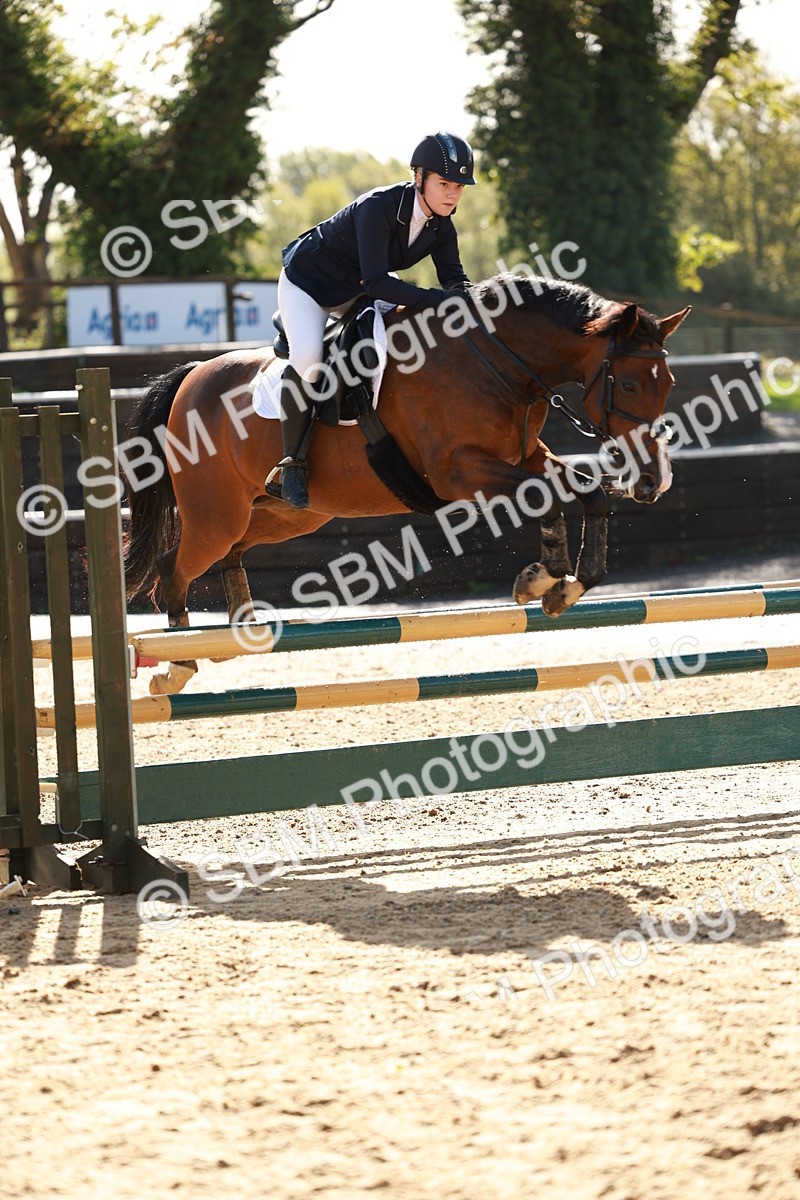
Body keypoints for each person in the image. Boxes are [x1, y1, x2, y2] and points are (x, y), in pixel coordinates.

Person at [267, 131, 476, 508]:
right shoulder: (377, 207)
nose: (452, 195)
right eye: (444, 184)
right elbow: (378, 282)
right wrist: (437, 300)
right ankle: (291, 463)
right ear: (419, 178)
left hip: (356, 288)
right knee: (309, 357)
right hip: (309, 284)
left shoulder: (441, 226)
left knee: (399, 333)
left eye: (458, 187)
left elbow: (454, 280)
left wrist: (477, 301)